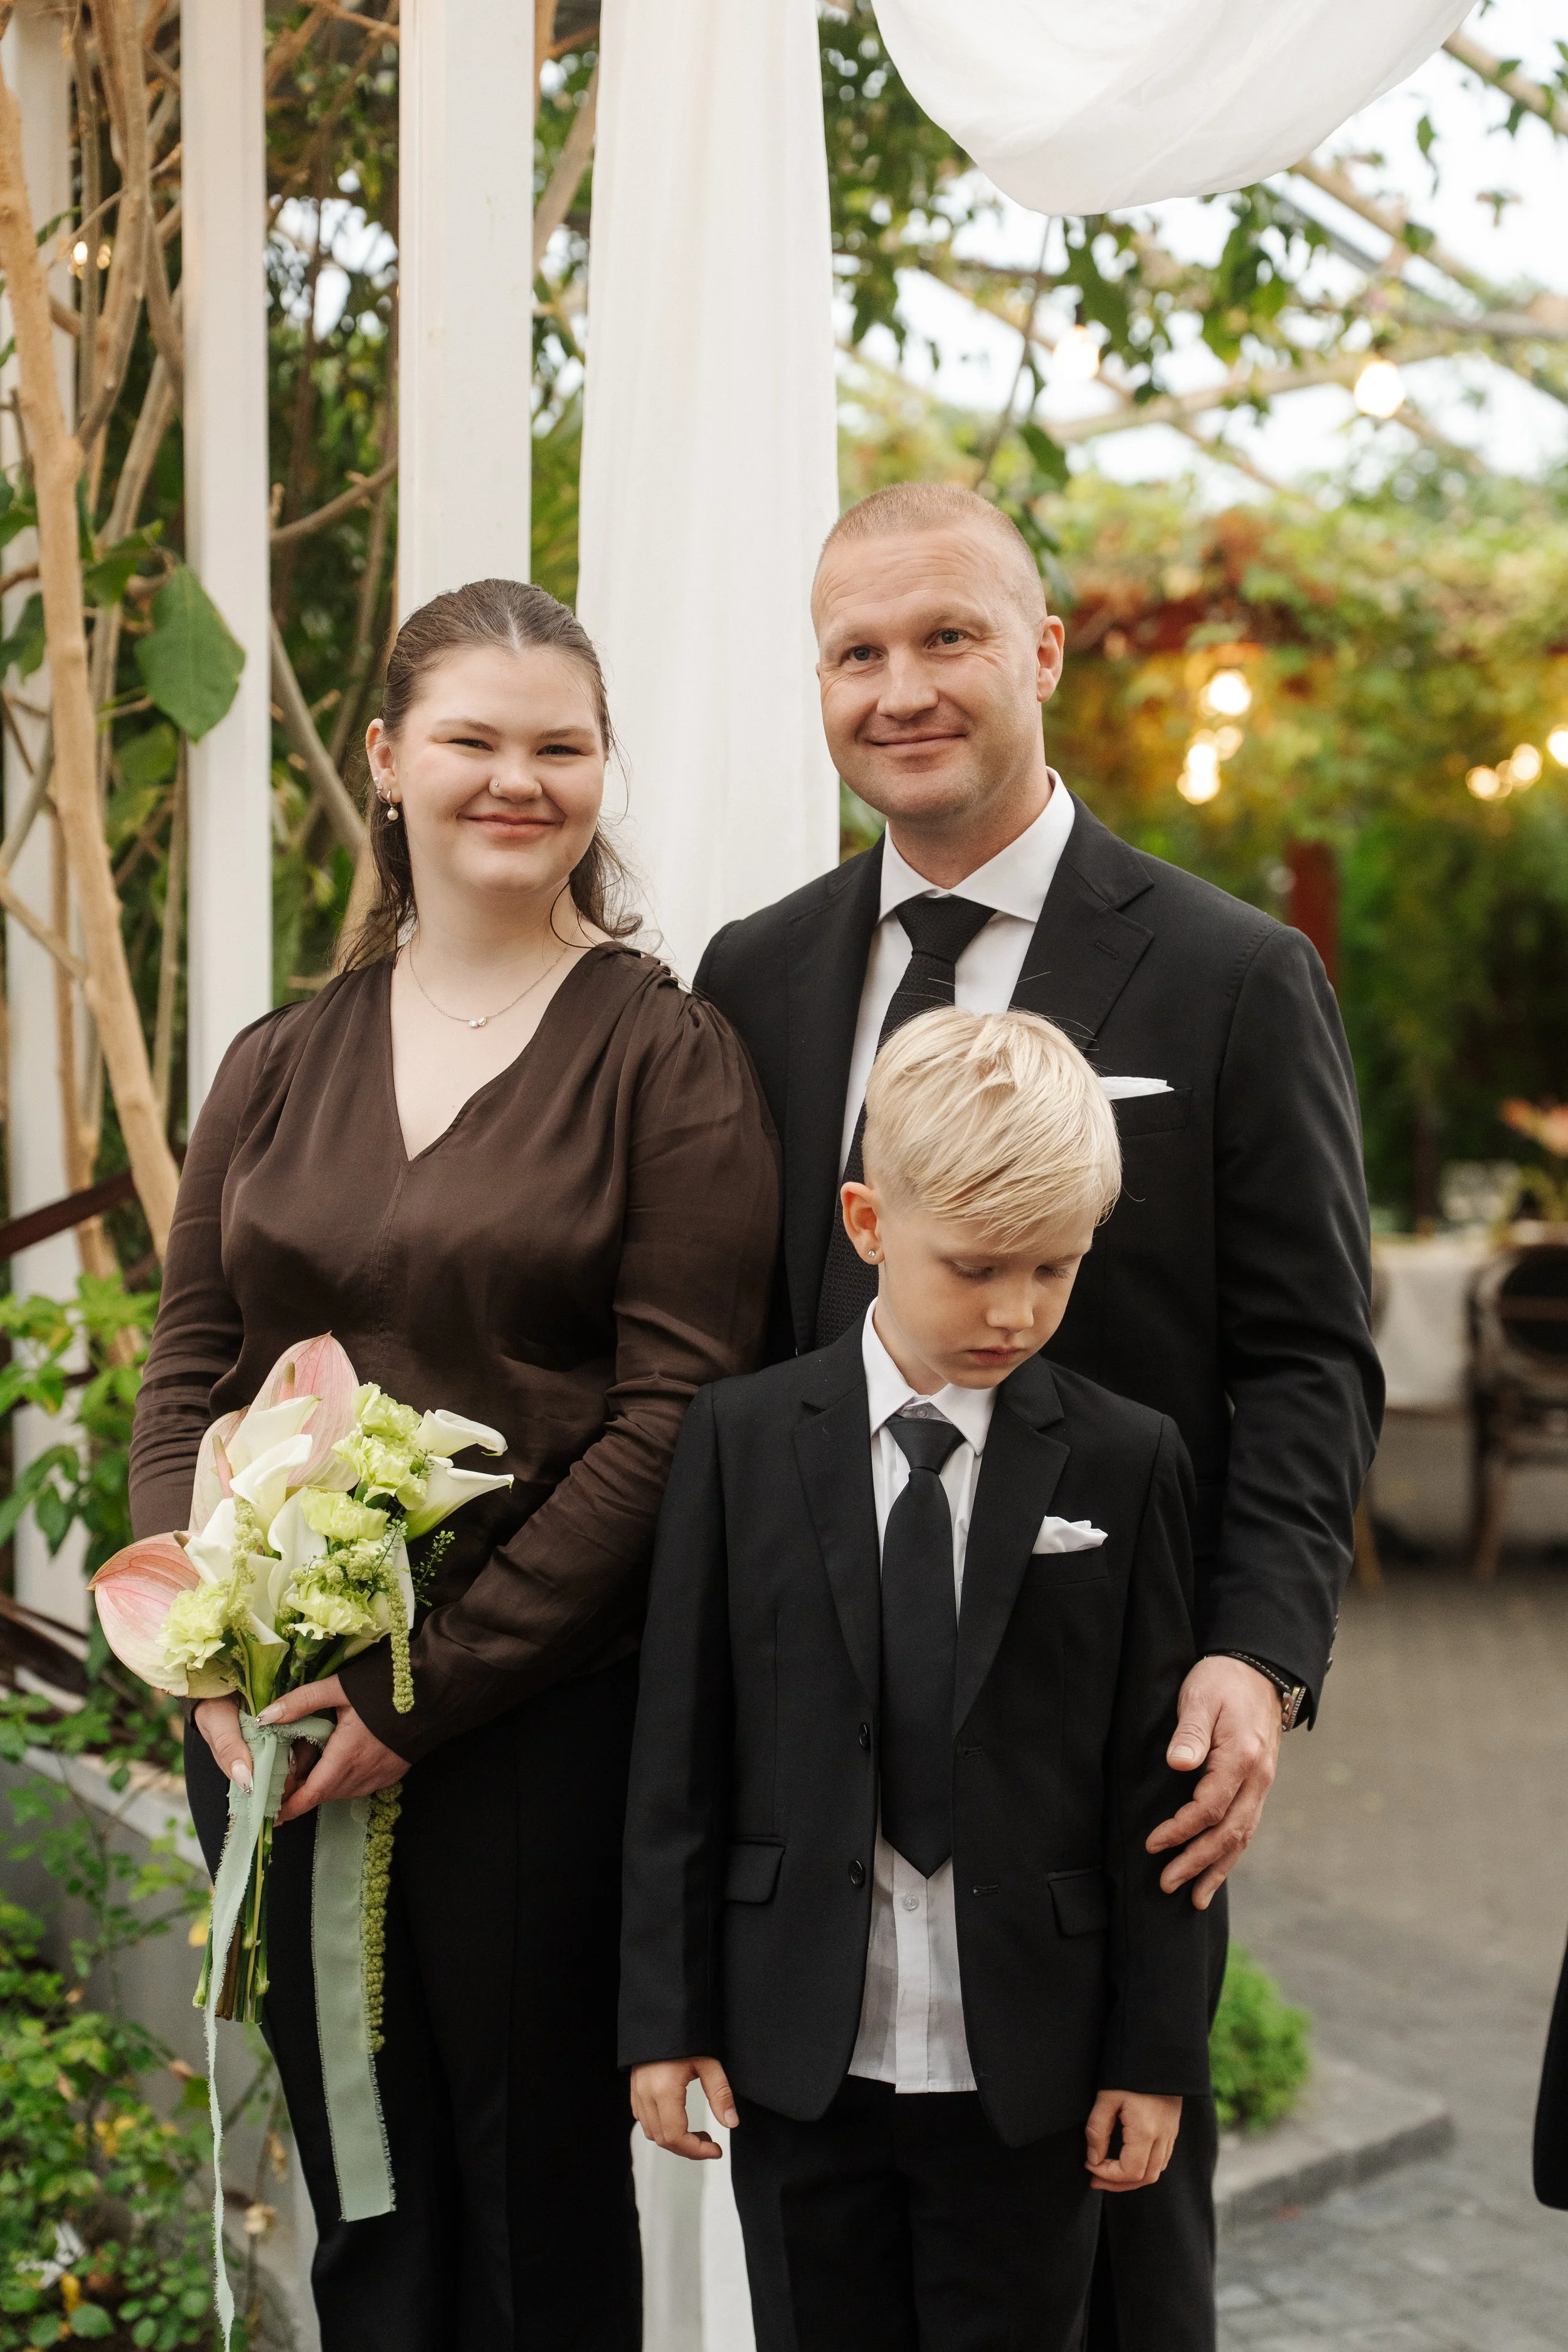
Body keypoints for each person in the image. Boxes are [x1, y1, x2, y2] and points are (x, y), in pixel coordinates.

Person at [692, 482, 1382, 2348]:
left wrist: (1254, 1651)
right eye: (856, 651)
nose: (899, 687)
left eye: (947, 637)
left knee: (1113, 2274)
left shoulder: (1233, 973)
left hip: (1093, 1739)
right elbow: (733, 1348)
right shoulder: (752, 974)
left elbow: (1312, 1350)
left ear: (1043, 654)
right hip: (815, 1765)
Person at [128, 579, 780, 2352]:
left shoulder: (667, 1057)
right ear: (387, 759)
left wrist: (420, 1684)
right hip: (266, 1728)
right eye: (474, 740)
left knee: (528, 2201)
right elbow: (191, 1361)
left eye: (558, 746)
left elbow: (677, 1411)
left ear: (599, 774)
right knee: (361, 2189)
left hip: (535, 1733)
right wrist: (193, 1637)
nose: (518, 779)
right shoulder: (275, 1062)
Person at [621, 1007, 1213, 2351]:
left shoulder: (1125, 1462)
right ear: (865, 1221)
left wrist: (1151, 2054)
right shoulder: (739, 1442)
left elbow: (1152, 1789)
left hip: (1030, 2061)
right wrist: (663, 2019)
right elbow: (680, 1752)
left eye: (1053, 1272)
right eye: (976, 1267)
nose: (1014, 1312)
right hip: (797, 2049)